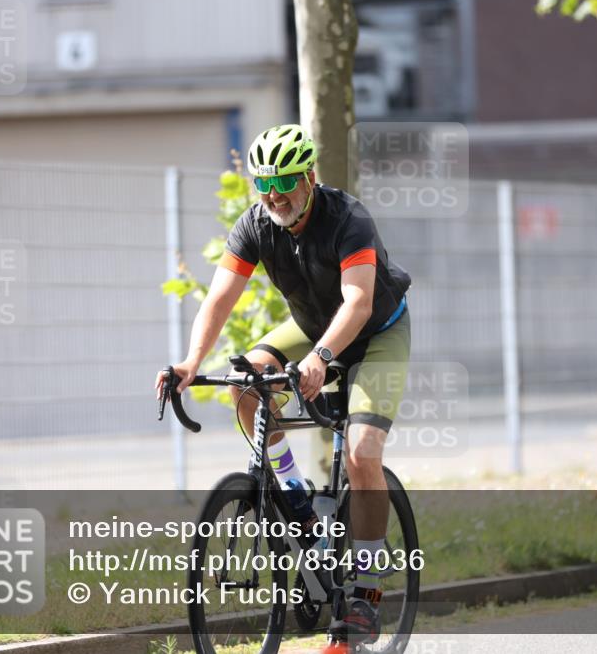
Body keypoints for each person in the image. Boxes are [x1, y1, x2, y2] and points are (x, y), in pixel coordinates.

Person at [155, 124, 411, 645]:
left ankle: (366, 589)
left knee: (362, 453)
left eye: (286, 183)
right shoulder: (255, 225)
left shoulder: (348, 219)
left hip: (375, 332)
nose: (274, 196)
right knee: (245, 381)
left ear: (310, 177)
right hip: (312, 326)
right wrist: (189, 361)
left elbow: (358, 303)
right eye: (264, 186)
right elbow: (220, 300)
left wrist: (321, 357)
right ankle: (295, 496)